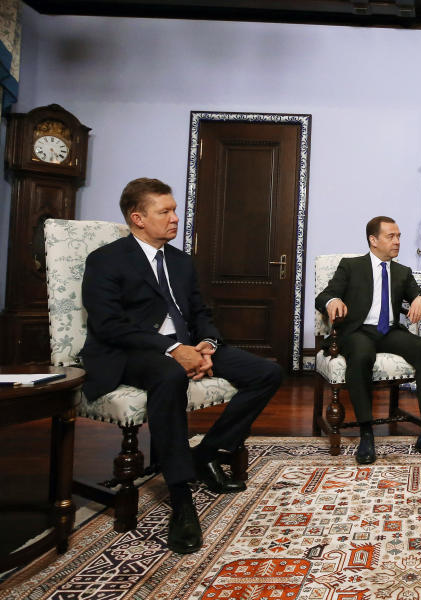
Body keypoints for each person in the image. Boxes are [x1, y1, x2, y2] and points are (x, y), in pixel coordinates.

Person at [81, 178, 284, 554]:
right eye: (166, 211)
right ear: (138, 218)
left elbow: (200, 312)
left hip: (188, 345)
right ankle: (180, 498)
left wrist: (206, 344)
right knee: (170, 373)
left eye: (174, 209)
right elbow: (109, 326)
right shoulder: (106, 260)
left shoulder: (180, 261)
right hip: (131, 352)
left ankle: (203, 454)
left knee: (267, 373)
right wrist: (174, 349)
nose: (176, 218)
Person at [315, 216, 421, 465]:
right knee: (361, 354)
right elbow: (325, 295)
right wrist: (332, 301)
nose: (397, 241)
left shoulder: (402, 272)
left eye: (399, 236)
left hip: (389, 332)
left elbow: (417, 293)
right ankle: (366, 433)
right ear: (373, 240)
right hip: (357, 331)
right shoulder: (351, 266)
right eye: (391, 236)